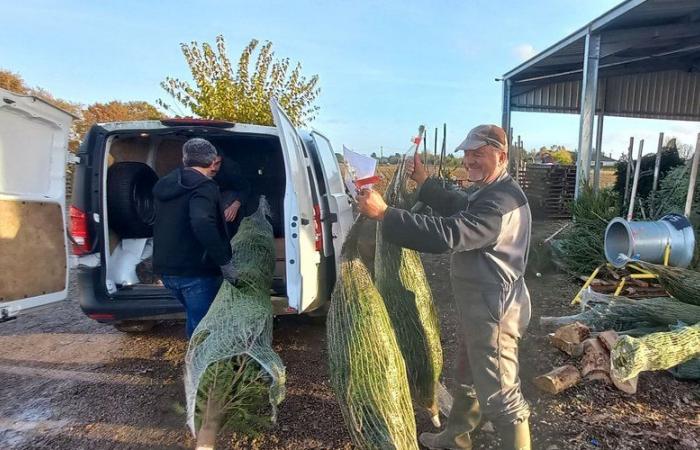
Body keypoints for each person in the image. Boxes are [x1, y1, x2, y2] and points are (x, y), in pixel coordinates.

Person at [357, 124, 532, 450]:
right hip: (480, 306)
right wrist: (425, 184)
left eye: (478, 154)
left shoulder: (499, 204)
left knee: (501, 395)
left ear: (501, 155)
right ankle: (457, 437)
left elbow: (447, 234)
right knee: (468, 374)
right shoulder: (494, 190)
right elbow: (459, 204)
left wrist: (386, 215)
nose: (469, 161)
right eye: (467, 154)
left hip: (495, 311)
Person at [152, 138, 238, 337]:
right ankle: (202, 366)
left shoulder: (165, 184)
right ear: (212, 162)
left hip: (167, 270)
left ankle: (194, 360)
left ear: (184, 159)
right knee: (205, 328)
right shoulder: (204, 187)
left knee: (194, 318)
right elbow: (202, 222)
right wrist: (225, 262)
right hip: (195, 272)